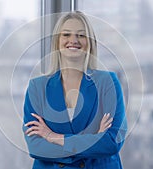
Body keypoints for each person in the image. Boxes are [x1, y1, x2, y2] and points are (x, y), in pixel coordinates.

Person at [23, 11, 127, 169]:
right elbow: (37, 146)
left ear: (90, 42)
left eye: (81, 35)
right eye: (66, 34)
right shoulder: (37, 88)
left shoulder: (108, 83)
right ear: (57, 41)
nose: (73, 40)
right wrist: (93, 139)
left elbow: (112, 142)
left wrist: (55, 137)